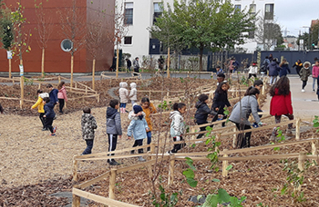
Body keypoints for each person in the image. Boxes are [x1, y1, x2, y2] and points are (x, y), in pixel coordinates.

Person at [106, 99, 122, 165]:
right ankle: (110, 159)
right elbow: (118, 124)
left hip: (110, 130)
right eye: (118, 104)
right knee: (112, 146)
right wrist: (120, 132)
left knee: (112, 145)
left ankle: (110, 158)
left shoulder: (108, 111)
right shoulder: (116, 114)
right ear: (116, 106)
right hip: (113, 131)